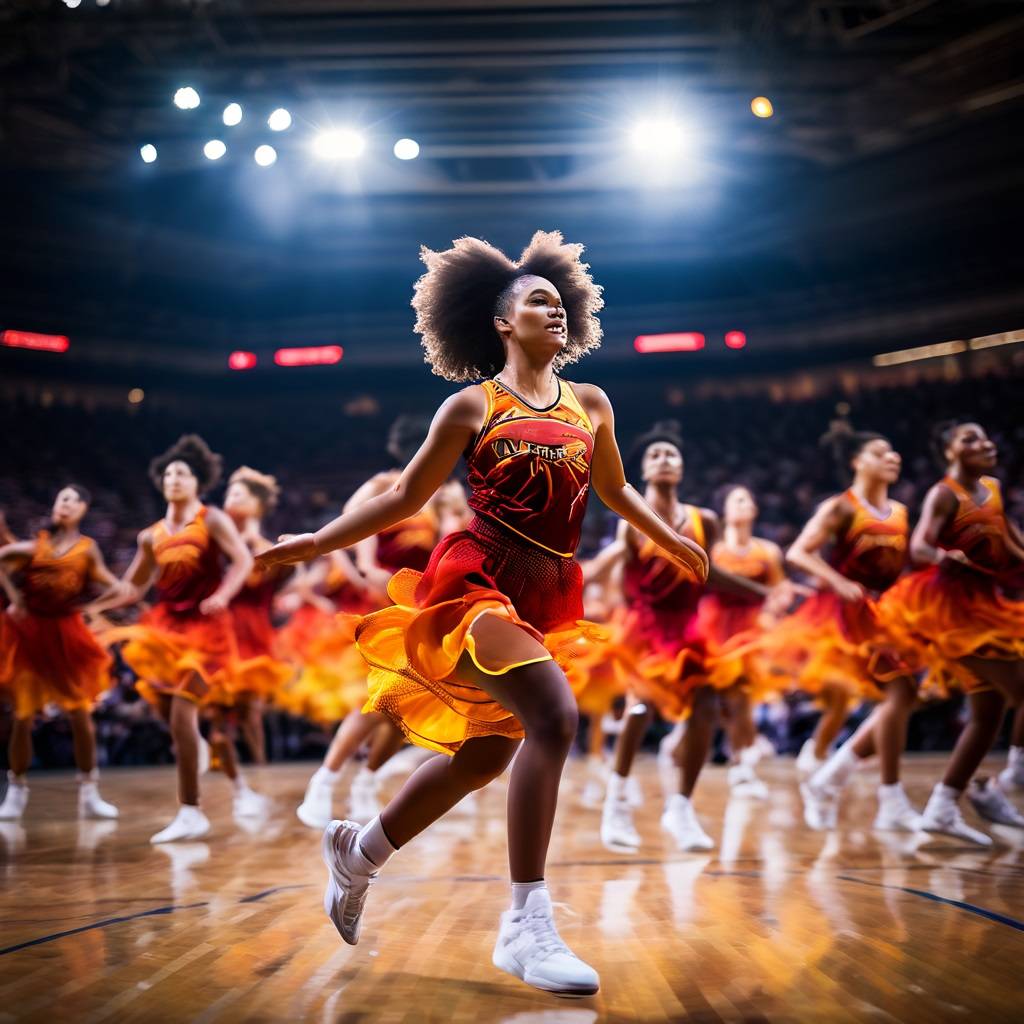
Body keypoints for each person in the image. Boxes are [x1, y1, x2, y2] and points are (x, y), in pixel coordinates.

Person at [257, 231, 708, 997]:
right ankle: (525, 925)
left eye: (562, 303)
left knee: (486, 757)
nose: (554, 311)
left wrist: (670, 537)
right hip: (475, 580)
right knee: (555, 721)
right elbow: (403, 497)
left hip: (548, 592)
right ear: (502, 321)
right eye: (538, 301)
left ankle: (359, 851)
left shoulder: (590, 402)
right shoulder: (474, 403)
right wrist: (314, 540)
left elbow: (615, 490)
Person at [584, 423, 771, 853]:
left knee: (706, 705)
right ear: (644, 470)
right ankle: (617, 800)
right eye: (655, 456)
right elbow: (624, 578)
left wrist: (758, 591)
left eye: (671, 454)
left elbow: (711, 571)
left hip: (688, 627)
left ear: (682, 468)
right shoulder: (629, 521)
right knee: (640, 709)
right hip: (644, 627)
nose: (664, 459)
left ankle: (681, 808)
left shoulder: (705, 519)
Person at [297, 417, 470, 828]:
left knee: (405, 704)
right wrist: (365, 563)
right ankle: (325, 780)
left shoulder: (448, 493)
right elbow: (350, 519)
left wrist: (449, 511)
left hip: (427, 603)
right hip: (380, 596)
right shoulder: (383, 484)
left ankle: (366, 782)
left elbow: (458, 538)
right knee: (379, 697)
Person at [95, 435, 254, 843]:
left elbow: (243, 560)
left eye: (182, 473)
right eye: (168, 474)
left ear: (198, 482)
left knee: (183, 711)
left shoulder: (211, 518)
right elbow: (132, 587)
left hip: (208, 633)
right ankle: (194, 748)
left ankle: (191, 811)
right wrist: (91, 608)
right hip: (167, 631)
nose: (174, 479)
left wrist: (221, 595)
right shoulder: (149, 536)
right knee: (168, 712)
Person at [878, 419, 1024, 843]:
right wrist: (943, 554)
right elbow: (920, 544)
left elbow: (1012, 544)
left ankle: (943, 805)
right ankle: (1010, 778)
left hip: (989, 605)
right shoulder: (944, 493)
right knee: (1018, 687)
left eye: (984, 435)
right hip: (951, 610)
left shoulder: (993, 490)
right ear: (949, 452)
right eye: (969, 438)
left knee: (988, 712)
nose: (984, 442)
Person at [783, 433, 923, 832]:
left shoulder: (899, 510)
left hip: (884, 613)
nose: (892, 456)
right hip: (846, 615)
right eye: (880, 452)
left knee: (902, 697)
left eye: (894, 450)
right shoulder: (841, 507)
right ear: (857, 462)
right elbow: (798, 551)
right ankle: (884, 794)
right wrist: (835, 580)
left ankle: (833, 779)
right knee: (899, 694)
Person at [0, 485, 122, 821]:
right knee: (22, 716)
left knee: (80, 714)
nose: (64, 504)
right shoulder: (34, 546)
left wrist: (94, 608)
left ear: (83, 508)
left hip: (67, 635)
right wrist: (16, 599)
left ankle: (90, 792)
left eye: (71, 500)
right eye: (60, 499)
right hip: (30, 634)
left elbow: (119, 587)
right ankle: (16, 791)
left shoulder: (87, 550)